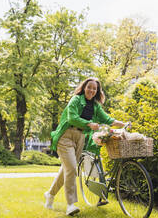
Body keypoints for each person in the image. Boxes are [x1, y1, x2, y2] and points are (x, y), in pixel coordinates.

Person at [44, 77, 125, 216]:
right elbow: (71, 118)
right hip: (66, 136)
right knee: (71, 169)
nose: (92, 90)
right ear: (84, 87)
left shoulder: (95, 106)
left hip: (80, 138)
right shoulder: (75, 100)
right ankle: (70, 205)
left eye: (95, 89)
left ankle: (50, 195)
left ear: (97, 91)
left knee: (67, 170)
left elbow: (107, 119)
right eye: (89, 87)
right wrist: (88, 124)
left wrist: (123, 124)